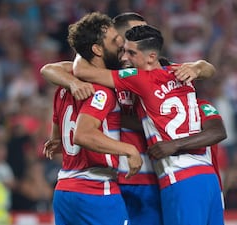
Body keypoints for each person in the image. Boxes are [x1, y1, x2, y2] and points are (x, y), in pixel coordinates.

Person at [41, 12, 218, 225]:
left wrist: (198, 66)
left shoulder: (150, 69)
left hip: (151, 177)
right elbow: (52, 68)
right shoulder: (107, 69)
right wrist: (74, 83)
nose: (139, 36)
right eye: (131, 33)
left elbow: (206, 69)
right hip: (121, 178)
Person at [43, 12, 142, 225]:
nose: (121, 44)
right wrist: (129, 150)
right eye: (115, 40)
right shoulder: (101, 92)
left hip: (64, 190)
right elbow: (83, 134)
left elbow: (57, 135)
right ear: (97, 49)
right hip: (96, 189)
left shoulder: (63, 88)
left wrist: (62, 143)